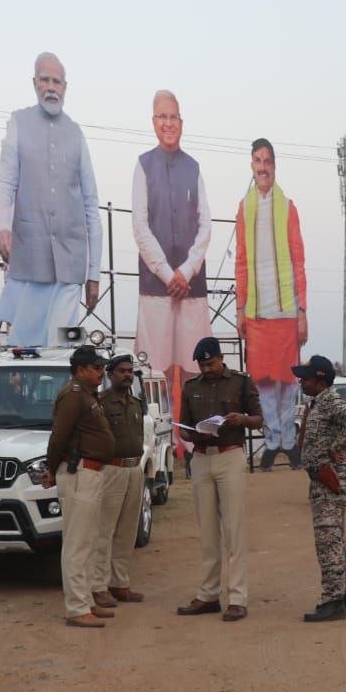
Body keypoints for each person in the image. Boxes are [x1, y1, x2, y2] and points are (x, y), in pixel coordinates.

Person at [0, 52, 102, 347]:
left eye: (57, 81)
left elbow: (91, 204)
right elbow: (4, 181)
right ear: (34, 83)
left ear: (65, 87)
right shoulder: (18, 122)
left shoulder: (77, 134)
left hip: (70, 261)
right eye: (45, 80)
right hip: (29, 257)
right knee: (24, 345)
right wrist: (3, 226)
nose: (51, 87)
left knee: (60, 347)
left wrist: (94, 273)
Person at [130, 90, 212, 458]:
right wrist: (168, 274)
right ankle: (160, 446)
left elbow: (205, 225)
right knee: (156, 373)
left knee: (195, 369)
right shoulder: (143, 165)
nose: (168, 123)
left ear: (182, 122)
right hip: (156, 289)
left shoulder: (194, 167)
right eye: (161, 117)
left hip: (192, 288)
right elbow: (140, 227)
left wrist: (187, 270)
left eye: (174, 117)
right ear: (153, 122)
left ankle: (193, 444)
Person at [176, 337, 263, 622]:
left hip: (230, 456)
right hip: (201, 458)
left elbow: (259, 419)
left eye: (210, 363)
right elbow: (184, 428)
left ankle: (237, 598)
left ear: (221, 357)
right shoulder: (191, 387)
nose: (207, 368)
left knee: (234, 528)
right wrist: (192, 433)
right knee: (208, 531)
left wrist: (242, 419)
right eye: (202, 364)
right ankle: (209, 595)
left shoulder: (240, 382)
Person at [234, 138, 308, 471]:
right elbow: (240, 262)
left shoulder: (288, 207)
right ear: (252, 166)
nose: (262, 167)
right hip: (257, 310)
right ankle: (272, 442)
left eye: (266, 161)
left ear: (274, 166)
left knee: (288, 381)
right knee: (263, 381)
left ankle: (289, 443)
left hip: (287, 309)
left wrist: (303, 311)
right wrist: (239, 309)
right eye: (256, 161)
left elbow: (298, 260)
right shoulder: (244, 207)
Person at [41, 346, 116, 628]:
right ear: (82, 369)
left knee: (88, 540)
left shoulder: (86, 394)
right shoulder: (73, 395)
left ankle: (85, 601)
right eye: (97, 368)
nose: (101, 372)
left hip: (91, 472)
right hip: (78, 472)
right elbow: (59, 436)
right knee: (77, 543)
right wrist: (50, 468)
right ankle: (76, 607)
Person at [293, 355, 346, 622]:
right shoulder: (317, 403)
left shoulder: (330, 401)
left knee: (327, 542)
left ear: (320, 380)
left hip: (328, 479)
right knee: (336, 540)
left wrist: (338, 448)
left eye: (306, 378)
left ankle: (333, 600)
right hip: (322, 479)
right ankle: (345, 596)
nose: (301, 381)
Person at [91, 354, 148, 609]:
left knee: (127, 531)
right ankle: (98, 587)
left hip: (134, 469)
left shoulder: (136, 404)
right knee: (104, 531)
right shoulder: (101, 402)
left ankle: (119, 583)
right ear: (110, 374)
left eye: (130, 371)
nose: (127, 375)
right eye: (122, 371)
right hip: (111, 470)